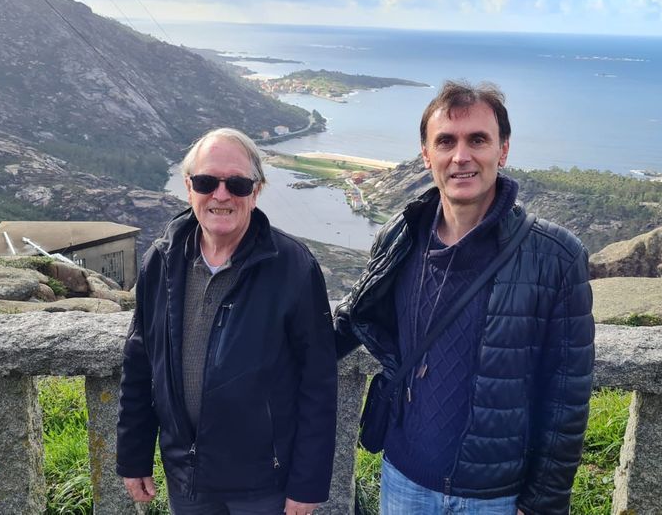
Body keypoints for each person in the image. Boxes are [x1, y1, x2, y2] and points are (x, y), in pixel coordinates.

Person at [335, 81, 595, 515]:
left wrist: (542, 504)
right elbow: (352, 316)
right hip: (403, 480)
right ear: (426, 155)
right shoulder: (401, 236)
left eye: (478, 140)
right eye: (446, 142)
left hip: (496, 496)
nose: (461, 157)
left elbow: (566, 398)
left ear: (503, 150)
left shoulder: (556, 257)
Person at [117, 127, 337, 515]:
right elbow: (140, 362)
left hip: (264, 484)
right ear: (189, 187)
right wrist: (133, 454)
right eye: (206, 182)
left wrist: (308, 484)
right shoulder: (161, 261)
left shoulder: (293, 267)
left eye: (237, 183)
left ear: (256, 190)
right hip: (188, 477)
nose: (221, 195)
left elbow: (318, 382)